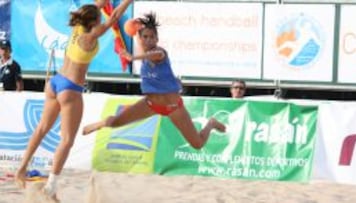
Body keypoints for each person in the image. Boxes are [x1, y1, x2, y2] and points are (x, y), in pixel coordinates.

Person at [14, 0, 134, 199]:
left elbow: (97, 5)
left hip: (55, 82)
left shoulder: (78, 27)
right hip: (70, 89)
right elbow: (113, 17)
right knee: (67, 140)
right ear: (94, 21)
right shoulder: (90, 37)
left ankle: (22, 168)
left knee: (42, 128)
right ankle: (51, 185)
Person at [83, 12, 226, 150]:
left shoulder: (159, 53)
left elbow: (153, 55)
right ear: (140, 38)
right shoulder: (142, 51)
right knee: (114, 122)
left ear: (157, 39)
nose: (149, 40)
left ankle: (211, 123)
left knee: (198, 144)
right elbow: (139, 41)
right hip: (150, 104)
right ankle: (100, 124)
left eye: (152, 37)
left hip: (173, 107)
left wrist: (132, 57)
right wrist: (135, 29)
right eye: (145, 37)